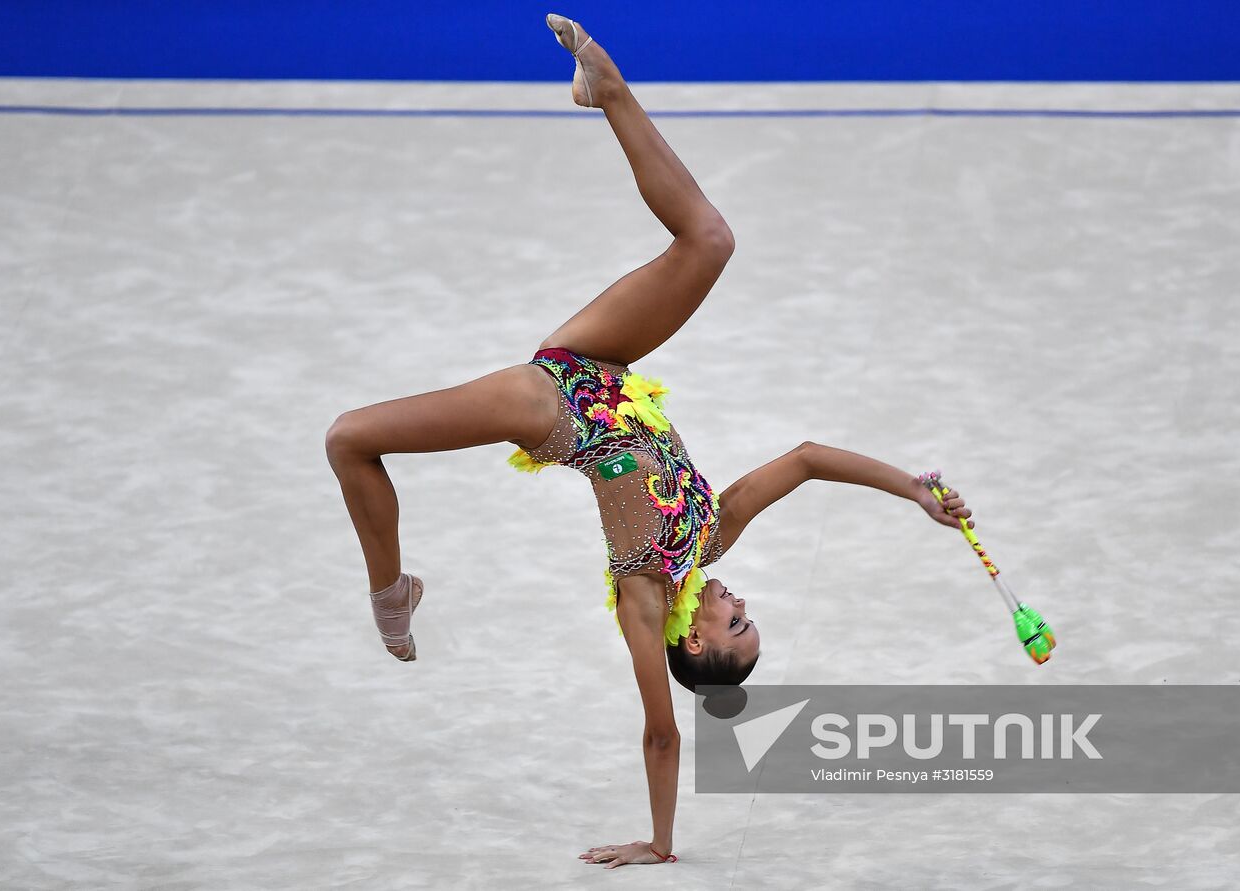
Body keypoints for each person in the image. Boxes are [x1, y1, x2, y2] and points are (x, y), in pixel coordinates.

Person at [324, 14, 973, 868]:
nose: (739, 600)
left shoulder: (642, 598)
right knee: (711, 241)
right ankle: (607, 92)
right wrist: (913, 491)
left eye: (737, 621)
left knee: (348, 440)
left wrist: (660, 844)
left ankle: (390, 594)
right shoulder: (709, 536)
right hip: (605, 361)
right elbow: (809, 458)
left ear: (695, 641)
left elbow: (661, 734)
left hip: (548, 405)